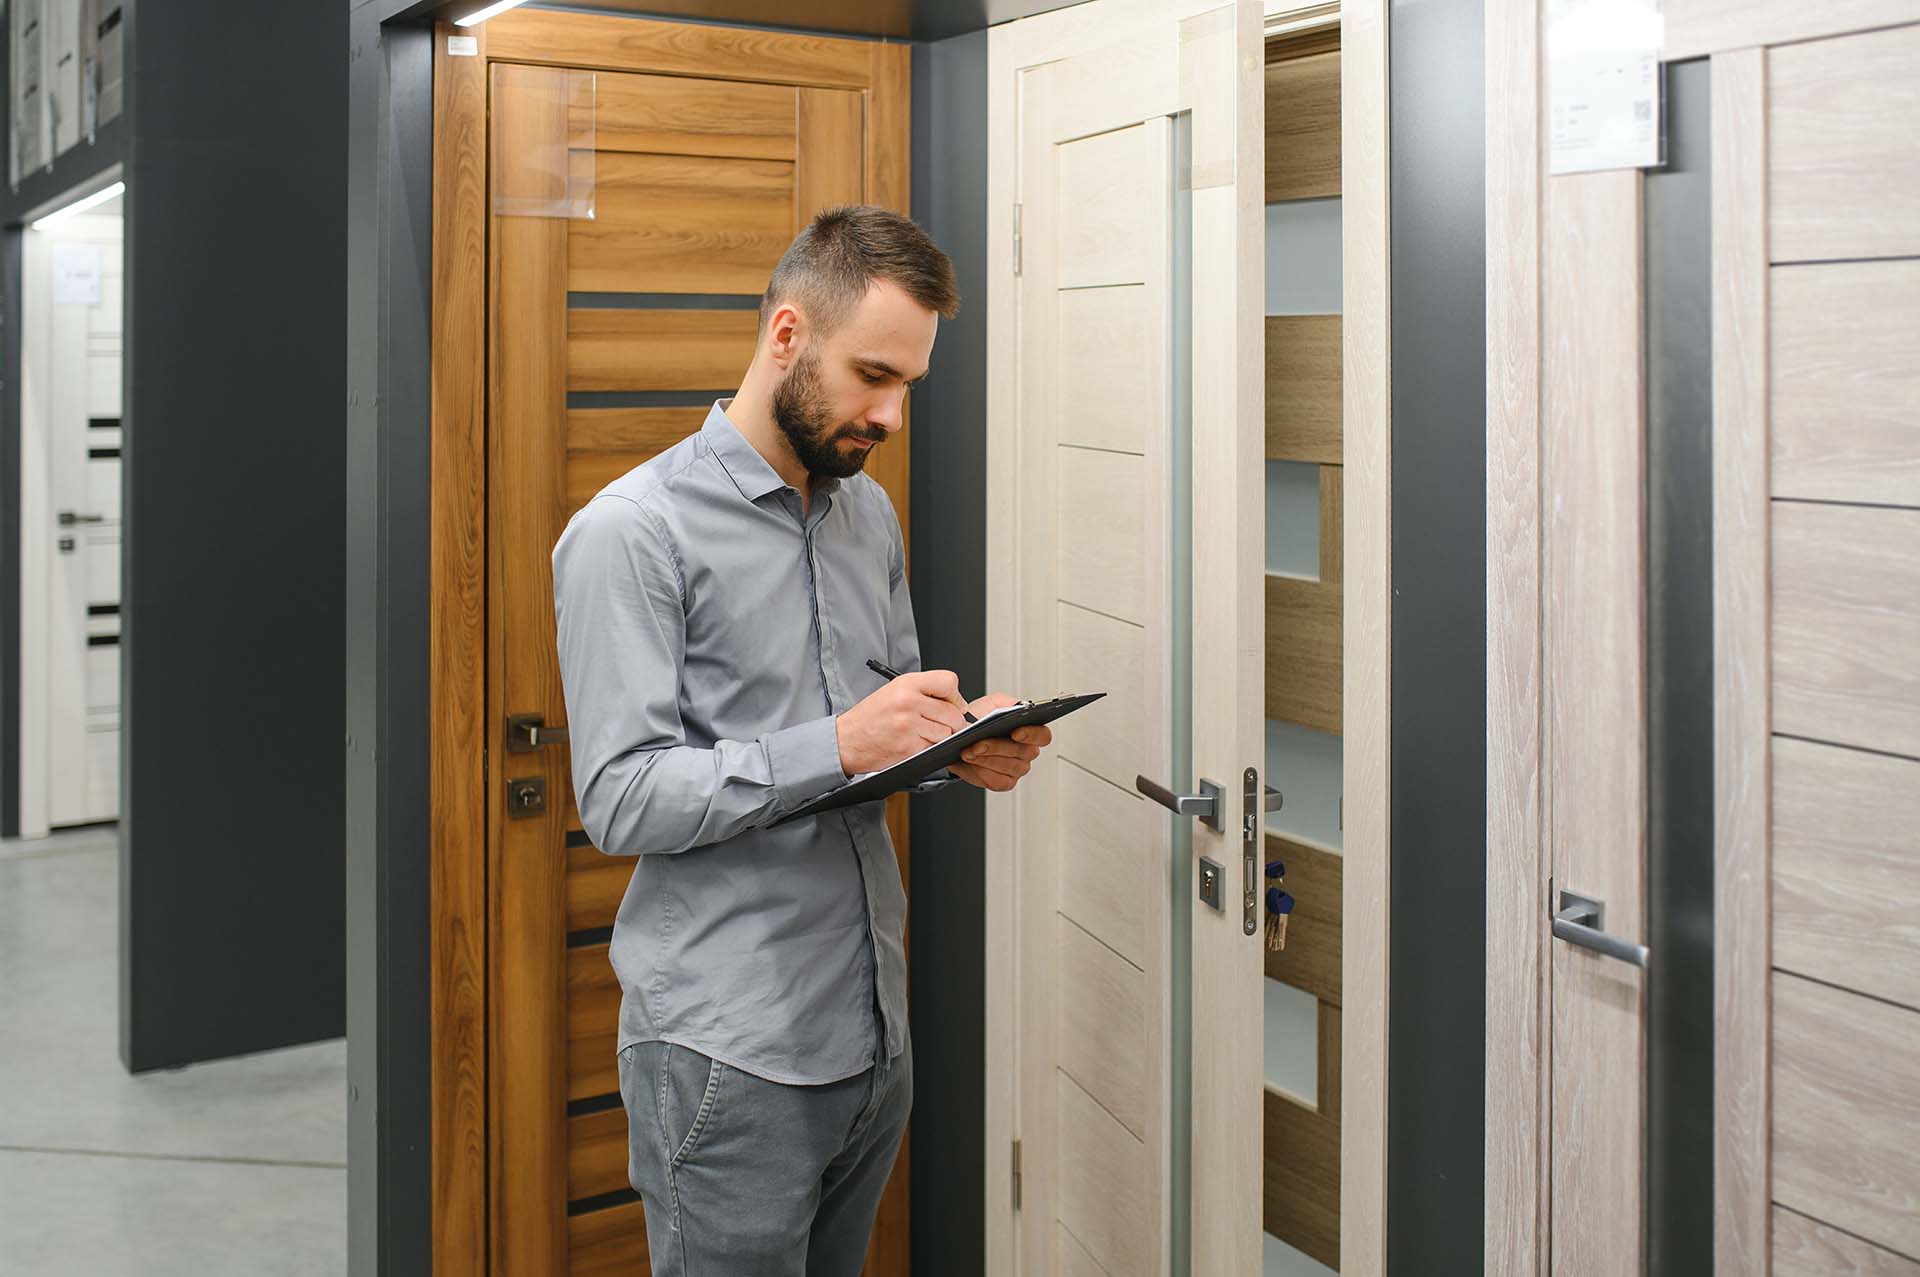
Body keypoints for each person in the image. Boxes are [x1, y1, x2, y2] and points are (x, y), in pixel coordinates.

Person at [552, 204, 1051, 1275]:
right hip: (727, 1055)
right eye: (873, 374)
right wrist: (843, 740)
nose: (891, 415)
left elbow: (881, 733)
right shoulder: (628, 533)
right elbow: (621, 799)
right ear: (787, 336)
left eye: (908, 383)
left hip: (871, 1031)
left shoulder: (865, 516)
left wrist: (958, 744)